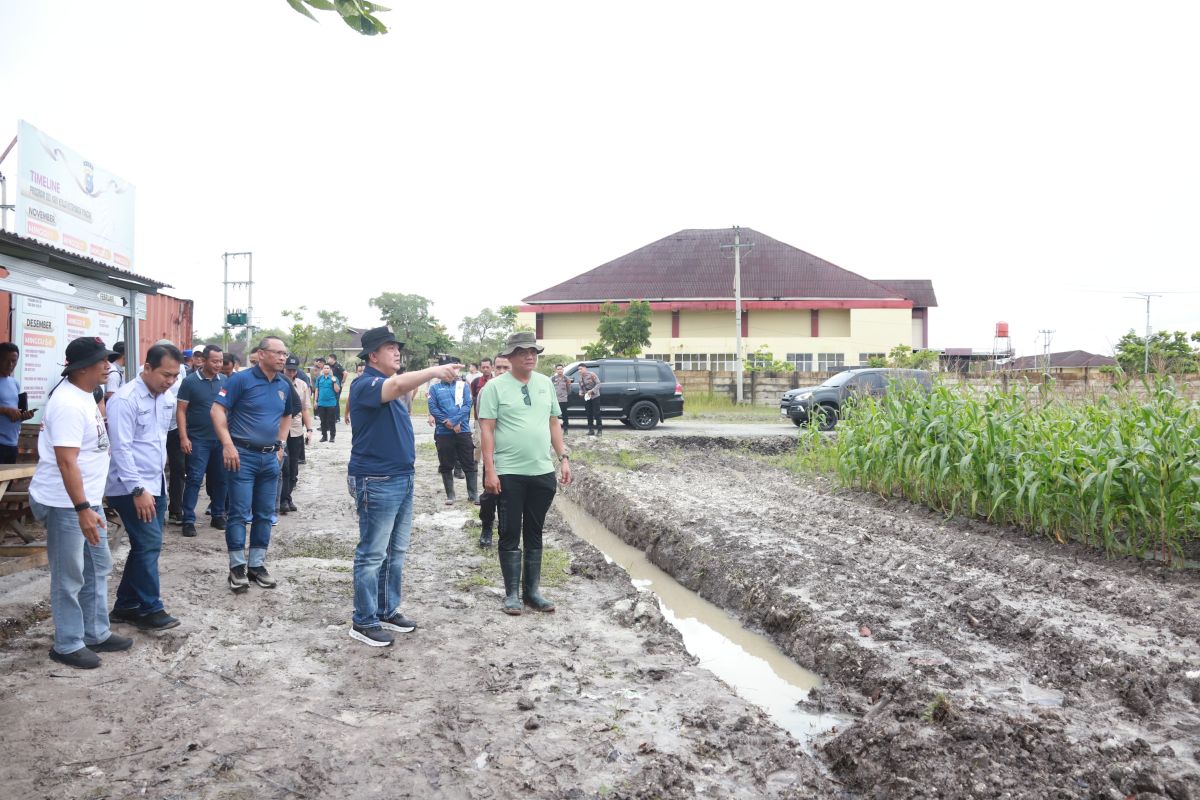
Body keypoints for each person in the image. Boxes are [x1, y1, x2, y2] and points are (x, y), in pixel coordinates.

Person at [347, 327, 460, 647]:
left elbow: (399, 387)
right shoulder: (365, 384)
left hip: (401, 477)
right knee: (372, 553)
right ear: (372, 356)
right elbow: (396, 383)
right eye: (389, 348)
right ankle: (363, 620)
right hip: (376, 479)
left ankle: (385, 609)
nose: (396, 352)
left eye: (398, 347)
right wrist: (434, 371)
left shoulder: (393, 390)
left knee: (395, 551)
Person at [29, 337, 131, 669]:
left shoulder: (85, 396)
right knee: (70, 574)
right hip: (66, 504)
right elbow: (66, 462)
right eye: (102, 361)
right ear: (82, 367)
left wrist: (90, 504)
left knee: (98, 565)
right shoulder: (69, 404)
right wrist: (82, 509)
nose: (108, 366)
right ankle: (68, 643)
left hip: (84, 501)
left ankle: (95, 632)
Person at [479, 332, 571, 615]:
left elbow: (554, 423)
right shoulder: (494, 388)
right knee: (509, 532)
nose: (529, 356)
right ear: (509, 356)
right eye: (522, 351)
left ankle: (532, 592)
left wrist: (563, 458)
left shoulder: (546, 384)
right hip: (508, 473)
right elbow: (487, 430)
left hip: (541, 471)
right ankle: (511, 595)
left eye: (533, 351)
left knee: (535, 531)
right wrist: (490, 471)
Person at [106, 343, 184, 631]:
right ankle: (151, 608)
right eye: (166, 374)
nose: (171, 381)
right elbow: (121, 448)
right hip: (130, 486)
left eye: (175, 376)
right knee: (148, 544)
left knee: (145, 546)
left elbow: (159, 439)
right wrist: (138, 490)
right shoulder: (125, 400)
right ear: (147, 368)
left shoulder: (166, 398)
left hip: (156, 483)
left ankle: (125, 605)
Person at [212, 336, 298, 593]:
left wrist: (281, 445)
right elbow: (217, 410)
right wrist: (227, 444)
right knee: (238, 513)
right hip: (242, 456)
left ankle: (256, 565)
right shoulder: (240, 380)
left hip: (270, 458)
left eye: (285, 353)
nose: (283, 358)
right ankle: (237, 567)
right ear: (261, 354)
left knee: (264, 514)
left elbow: (287, 414)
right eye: (278, 353)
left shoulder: (284, 383)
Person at [177, 344, 227, 537]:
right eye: (214, 361)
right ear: (204, 360)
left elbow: (227, 409)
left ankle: (218, 514)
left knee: (221, 479)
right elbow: (181, 411)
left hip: (220, 440)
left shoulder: (224, 380)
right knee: (195, 479)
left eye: (221, 361)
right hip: (198, 440)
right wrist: (184, 437)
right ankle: (188, 519)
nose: (218, 365)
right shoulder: (190, 382)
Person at [427, 363, 477, 505]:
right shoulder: (434, 388)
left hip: (463, 429)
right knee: (446, 462)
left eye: (453, 372)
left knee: (468, 461)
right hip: (443, 432)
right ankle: (450, 495)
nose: (450, 374)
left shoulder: (463, 386)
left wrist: (455, 420)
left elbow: (468, 404)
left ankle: (473, 494)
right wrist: (445, 422)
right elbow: (433, 407)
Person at [474, 355, 507, 547]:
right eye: (499, 367)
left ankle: (505, 529)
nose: (502, 372)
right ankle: (487, 526)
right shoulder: (486, 391)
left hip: (514, 454)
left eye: (506, 368)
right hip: (493, 452)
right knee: (489, 494)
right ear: (493, 368)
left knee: (509, 495)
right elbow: (483, 424)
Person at [278, 356, 313, 513]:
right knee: (283, 467)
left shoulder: (302, 385)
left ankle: (288, 496)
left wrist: (310, 429)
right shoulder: (277, 382)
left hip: (297, 430)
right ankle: (283, 499)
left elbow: (305, 409)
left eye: (293, 370)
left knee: (293, 467)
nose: (290, 372)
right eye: (288, 369)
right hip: (280, 430)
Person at [0, 342, 34, 463]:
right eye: (6, 360)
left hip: (12, 444)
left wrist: (23, 416)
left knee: (8, 482)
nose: (10, 364)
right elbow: (8, 410)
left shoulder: (15, 383)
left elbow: (14, 414)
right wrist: (6, 410)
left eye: (14, 361)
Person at [315, 364, 341, 442]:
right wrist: (315, 401)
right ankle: (324, 436)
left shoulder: (334, 378)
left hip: (331, 403)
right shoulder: (319, 378)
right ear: (322, 370)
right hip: (321, 403)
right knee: (323, 421)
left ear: (330, 370)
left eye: (328, 368)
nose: (326, 369)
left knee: (331, 421)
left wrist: (334, 382)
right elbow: (317, 390)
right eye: (324, 368)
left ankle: (332, 437)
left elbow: (337, 390)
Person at [577, 363, 602, 436]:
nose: (579, 371)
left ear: (585, 368)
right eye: (578, 369)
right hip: (587, 397)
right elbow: (580, 388)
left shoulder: (592, 374)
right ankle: (591, 430)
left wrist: (592, 391)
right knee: (589, 414)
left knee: (597, 413)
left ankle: (599, 430)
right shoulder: (580, 378)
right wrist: (580, 393)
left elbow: (599, 384)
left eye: (581, 369)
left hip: (595, 396)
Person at [551, 363, 572, 436]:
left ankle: (566, 429)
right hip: (555, 400)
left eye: (561, 369)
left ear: (563, 370)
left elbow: (569, 390)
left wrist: (565, 396)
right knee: (554, 415)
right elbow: (550, 389)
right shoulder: (553, 379)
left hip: (563, 399)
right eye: (558, 369)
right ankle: (555, 430)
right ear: (556, 370)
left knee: (564, 415)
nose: (560, 370)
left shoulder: (566, 379)